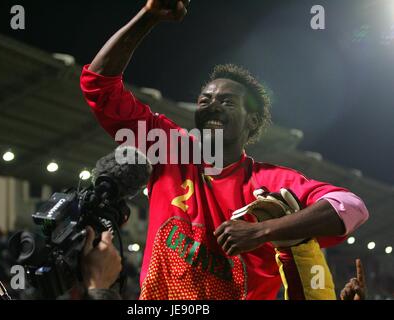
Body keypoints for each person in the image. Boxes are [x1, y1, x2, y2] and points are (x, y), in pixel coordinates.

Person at [80, 0, 369, 299]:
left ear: (252, 120)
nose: (212, 107)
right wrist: (148, 16)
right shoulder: (169, 149)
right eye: (205, 101)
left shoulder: (268, 182)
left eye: (227, 102)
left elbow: (351, 206)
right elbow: (99, 85)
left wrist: (262, 231)